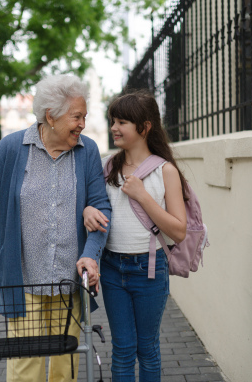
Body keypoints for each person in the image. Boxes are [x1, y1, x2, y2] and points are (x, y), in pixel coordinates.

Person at [0, 74, 112, 382]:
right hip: (23, 285)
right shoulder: (13, 149)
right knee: (24, 372)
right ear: (50, 115)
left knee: (66, 371)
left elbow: (102, 210)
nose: (82, 124)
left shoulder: (87, 152)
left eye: (84, 116)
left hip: (68, 285)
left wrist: (91, 255)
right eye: (77, 116)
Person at [83, 91, 188, 382]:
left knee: (147, 348)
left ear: (144, 127)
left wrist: (143, 196)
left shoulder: (165, 171)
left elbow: (179, 230)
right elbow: (88, 206)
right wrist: (87, 210)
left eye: (123, 122)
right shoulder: (105, 167)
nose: (114, 127)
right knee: (123, 348)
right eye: (113, 121)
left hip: (150, 270)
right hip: (112, 268)